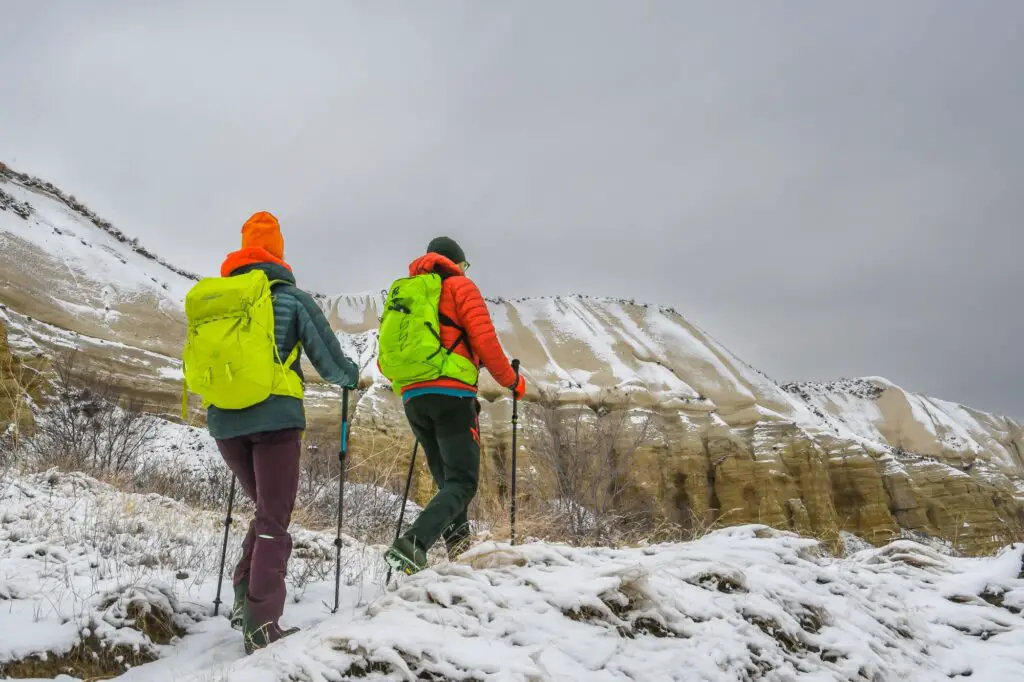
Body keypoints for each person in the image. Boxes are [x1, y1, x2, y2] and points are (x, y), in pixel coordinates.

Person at [205, 211, 359, 653]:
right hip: (275, 422)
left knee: (265, 510)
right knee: (274, 518)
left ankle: (242, 595)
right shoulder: (291, 298)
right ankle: (261, 622)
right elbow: (330, 363)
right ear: (277, 252)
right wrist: (351, 376)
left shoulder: (219, 301)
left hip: (225, 423)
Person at [383, 236, 526, 575]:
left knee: (448, 482)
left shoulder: (407, 291)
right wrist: (512, 381)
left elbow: (387, 353)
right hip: (452, 395)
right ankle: (413, 544)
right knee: (463, 482)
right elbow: (485, 342)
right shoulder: (461, 287)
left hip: (413, 397)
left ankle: (460, 557)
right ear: (458, 262)